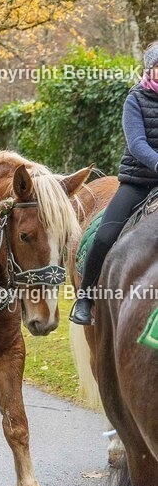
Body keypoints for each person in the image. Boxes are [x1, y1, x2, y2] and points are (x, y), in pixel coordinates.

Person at [70, 42, 158, 325]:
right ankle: (86, 297)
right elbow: (137, 143)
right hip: (138, 181)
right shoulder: (135, 99)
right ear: (149, 70)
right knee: (105, 235)